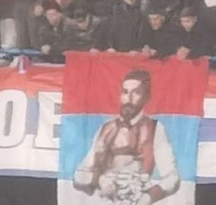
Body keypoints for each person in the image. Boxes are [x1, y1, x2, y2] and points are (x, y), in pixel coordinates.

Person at [72, 69, 180, 203]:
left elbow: (172, 178)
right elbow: (79, 175)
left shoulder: (155, 129)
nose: (129, 98)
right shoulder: (106, 129)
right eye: (125, 92)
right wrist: (98, 180)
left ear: (146, 97)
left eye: (136, 92)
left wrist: (147, 198)